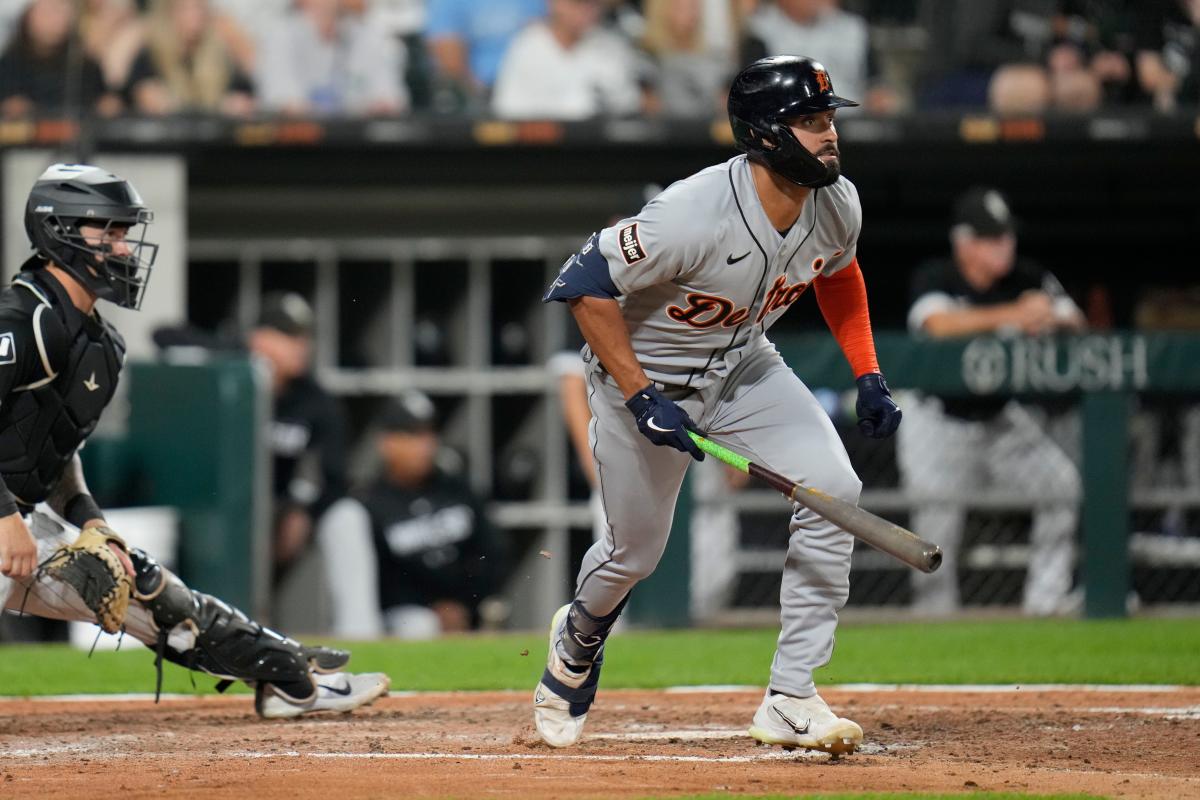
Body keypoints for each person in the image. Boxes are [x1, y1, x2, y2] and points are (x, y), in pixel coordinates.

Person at [535, 56, 902, 753]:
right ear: (764, 135)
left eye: (830, 121)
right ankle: (579, 636)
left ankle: (792, 695)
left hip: (742, 367)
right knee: (633, 554)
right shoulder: (693, 212)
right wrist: (641, 394)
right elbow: (582, 284)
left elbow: (840, 274)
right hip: (638, 380)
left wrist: (869, 372)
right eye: (812, 122)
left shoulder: (836, 201)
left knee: (836, 489)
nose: (830, 136)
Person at [0, 163, 389, 718]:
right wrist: (4, 517)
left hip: (17, 521)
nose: (122, 248)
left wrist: (88, 516)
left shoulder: (100, 344)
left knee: (152, 592)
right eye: (106, 231)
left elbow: (55, 452)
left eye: (122, 233)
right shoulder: (20, 321)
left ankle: (286, 675)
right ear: (58, 230)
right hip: (4, 522)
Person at [897, 186, 1085, 617]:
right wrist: (1015, 316)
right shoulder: (937, 276)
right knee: (935, 531)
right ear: (964, 242)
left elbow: (1076, 322)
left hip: (1002, 420)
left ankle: (1046, 601)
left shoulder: (1028, 277)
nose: (1006, 246)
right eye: (992, 238)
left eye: (1007, 236)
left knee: (1061, 488)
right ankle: (935, 616)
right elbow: (937, 325)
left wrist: (1052, 318)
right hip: (940, 424)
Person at [318, 390, 510, 638]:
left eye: (428, 433)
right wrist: (432, 606)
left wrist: (465, 603)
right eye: (411, 435)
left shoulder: (457, 489)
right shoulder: (370, 504)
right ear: (386, 442)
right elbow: (382, 581)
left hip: (464, 611)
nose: (424, 445)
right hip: (400, 618)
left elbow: (493, 552)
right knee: (420, 623)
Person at [246, 292, 349, 595]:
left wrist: (304, 510)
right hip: (224, 509)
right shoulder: (231, 378)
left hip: (277, 510)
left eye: (303, 338)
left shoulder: (315, 401)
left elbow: (335, 477)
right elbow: (164, 336)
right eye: (289, 337)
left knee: (346, 517)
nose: (301, 348)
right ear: (261, 338)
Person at [491, 0, 645, 120]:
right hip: (540, 152)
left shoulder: (613, 47)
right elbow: (508, 111)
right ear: (554, 3)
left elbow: (628, 110)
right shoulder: (527, 45)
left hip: (600, 150)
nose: (587, 9)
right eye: (578, 2)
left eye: (594, 3)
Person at [256, 0, 408, 116]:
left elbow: (389, 101)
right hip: (297, 150)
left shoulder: (367, 35)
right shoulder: (281, 34)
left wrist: (380, 106)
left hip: (359, 148)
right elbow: (283, 103)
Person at [0, 0, 121, 118]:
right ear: (28, 16)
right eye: (47, 13)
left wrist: (106, 104)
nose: (55, 20)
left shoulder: (82, 63)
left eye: (60, 12)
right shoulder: (9, 63)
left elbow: (106, 100)